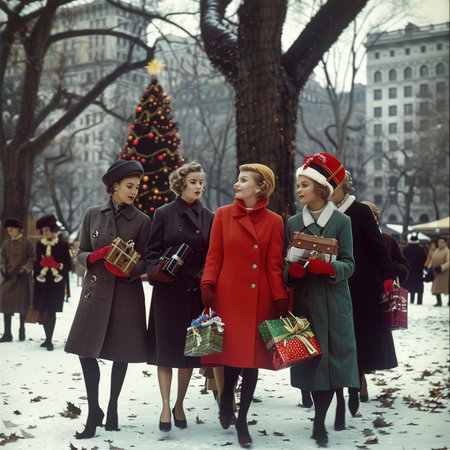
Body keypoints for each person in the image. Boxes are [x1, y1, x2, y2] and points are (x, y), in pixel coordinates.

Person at [200, 163, 287, 447]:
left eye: (244, 180)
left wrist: (280, 297)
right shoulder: (223, 215)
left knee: (252, 362)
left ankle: (242, 419)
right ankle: (226, 397)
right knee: (232, 357)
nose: (237, 184)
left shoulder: (275, 221)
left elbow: (274, 265)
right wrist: (208, 284)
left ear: (261, 187)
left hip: (259, 299)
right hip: (228, 297)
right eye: (238, 179)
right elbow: (214, 255)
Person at [65, 159, 151, 439]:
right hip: (95, 292)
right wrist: (96, 256)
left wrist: (128, 268)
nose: (134, 192)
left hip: (125, 295)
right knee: (84, 350)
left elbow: (147, 261)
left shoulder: (142, 221)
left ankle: (112, 405)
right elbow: (79, 255)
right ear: (113, 186)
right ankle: (94, 411)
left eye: (137, 187)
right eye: (129, 186)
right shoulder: (92, 214)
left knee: (120, 352)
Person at [284, 153, 358, 446]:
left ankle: (319, 424)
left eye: (304, 185)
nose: (298, 190)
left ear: (320, 189)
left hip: (334, 303)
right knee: (313, 366)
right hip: (305, 306)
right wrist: (294, 273)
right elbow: (283, 267)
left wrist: (328, 267)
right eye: (298, 185)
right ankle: (320, 418)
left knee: (331, 363)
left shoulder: (342, 222)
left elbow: (350, 264)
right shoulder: (291, 223)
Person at [145, 162, 214, 433]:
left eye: (201, 181)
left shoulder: (209, 216)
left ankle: (179, 404)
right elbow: (151, 252)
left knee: (188, 354)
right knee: (165, 352)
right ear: (180, 184)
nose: (199, 186)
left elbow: (212, 255)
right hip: (167, 291)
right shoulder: (163, 213)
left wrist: (202, 277)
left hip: (193, 292)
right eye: (194, 181)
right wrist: (156, 272)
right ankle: (164, 406)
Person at [330, 171, 395, 419]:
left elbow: (378, 248)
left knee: (357, 339)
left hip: (362, 287)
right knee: (337, 341)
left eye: (333, 187)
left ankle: (357, 384)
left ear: (344, 189)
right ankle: (338, 391)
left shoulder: (360, 211)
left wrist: (387, 278)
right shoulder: (323, 214)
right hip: (332, 284)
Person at [33, 214, 71, 351]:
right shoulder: (40, 244)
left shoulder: (62, 244)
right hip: (42, 282)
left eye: (48, 230)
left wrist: (57, 265)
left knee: (52, 310)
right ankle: (46, 337)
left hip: (56, 283)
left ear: (53, 230)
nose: (46, 233)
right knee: (43, 310)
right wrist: (41, 264)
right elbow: (36, 263)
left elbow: (68, 265)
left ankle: (49, 340)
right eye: (43, 231)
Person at [0, 217, 35, 342]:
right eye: (8, 231)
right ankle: (7, 333)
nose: (10, 233)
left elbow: (32, 257)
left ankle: (21, 329)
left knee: (22, 304)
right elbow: (2, 257)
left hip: (22, 278)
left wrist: (25, 268)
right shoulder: (5, 244)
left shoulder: (27, 243)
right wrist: (3, 268)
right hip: (8, 277)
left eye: (12, 230)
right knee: (4, 301)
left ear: (19, 230)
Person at [401, 234, 427, 305]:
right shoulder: (421, 249)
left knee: (409, 287)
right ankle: (419, 302)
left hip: (409, 271)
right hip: (418, 272)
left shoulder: (406, 249)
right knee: (418, 288)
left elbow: (403, 259)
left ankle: (411, 301)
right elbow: (425, 259)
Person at [428, 236, 449, 306]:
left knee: (446, 287)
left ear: (445, 243)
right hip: (436, 272)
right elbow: (432, 260)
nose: (440, 243)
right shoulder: (436, 251)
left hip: (445, 273)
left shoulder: (447, 251)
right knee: (436, 288)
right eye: (439, 242)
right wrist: (429, 267)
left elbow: (449, 262)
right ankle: (439, 301)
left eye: (442, 242)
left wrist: (441, 268)